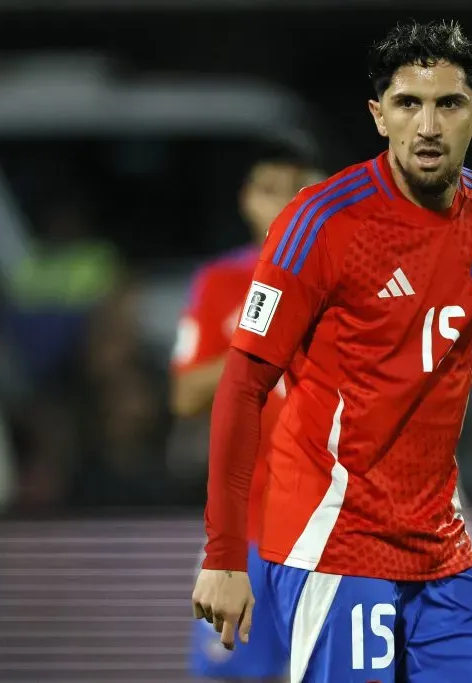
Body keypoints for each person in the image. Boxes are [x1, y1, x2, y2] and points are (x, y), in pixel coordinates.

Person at [192, 20, 472, 682]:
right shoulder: (321, 222)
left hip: (440, 549)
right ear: (379, 116)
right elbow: (243, 384)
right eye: (408, 103)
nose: (427, 125)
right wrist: (225, 554)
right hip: (333, 540)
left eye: (448, 104)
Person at [174, 151, 322, 681]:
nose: (279, 199)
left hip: (329, 529)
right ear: (245, 199)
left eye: (293, 186)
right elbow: (185, 395)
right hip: (247, 528)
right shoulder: (221, 283)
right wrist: (259, 336)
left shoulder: (348, 282)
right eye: (266, 187)